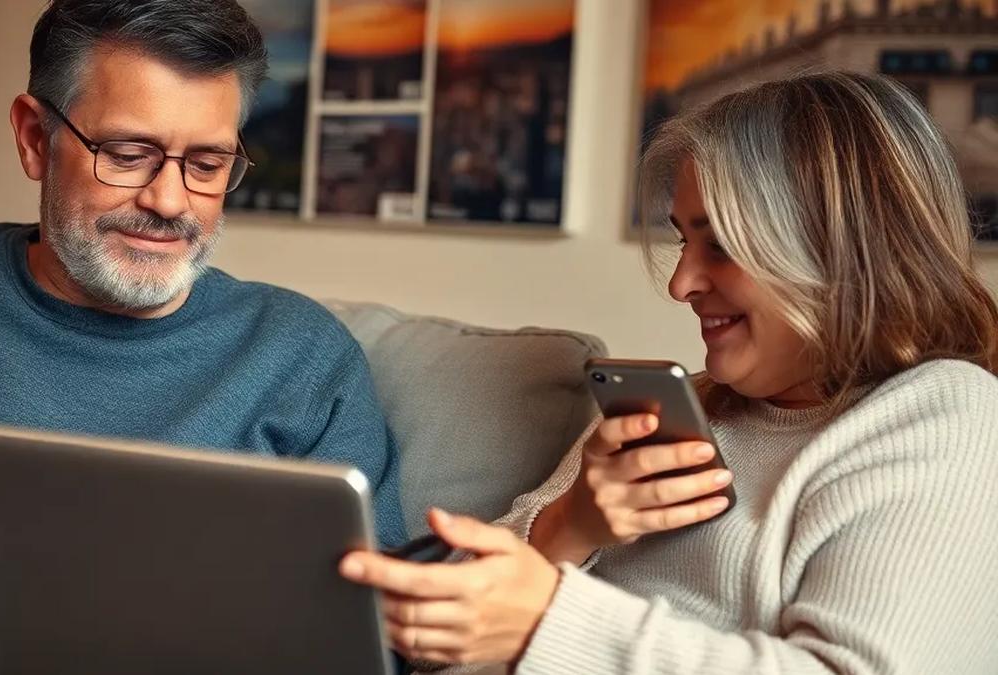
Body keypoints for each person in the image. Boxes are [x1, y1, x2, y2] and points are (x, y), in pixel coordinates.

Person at [0, 0, 406, 665]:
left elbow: (375, 633)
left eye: (206, 165)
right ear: (35, 138)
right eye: (127, 153)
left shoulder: (304, 358)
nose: (169, 202)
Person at [341, 71, 998, 674]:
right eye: (685, 240)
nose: (683, 283)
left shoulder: (946, 417)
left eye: (723, 245)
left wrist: (546, 623)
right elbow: (440, 636)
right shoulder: (692, 406)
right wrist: (568, 524)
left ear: (841, 250)